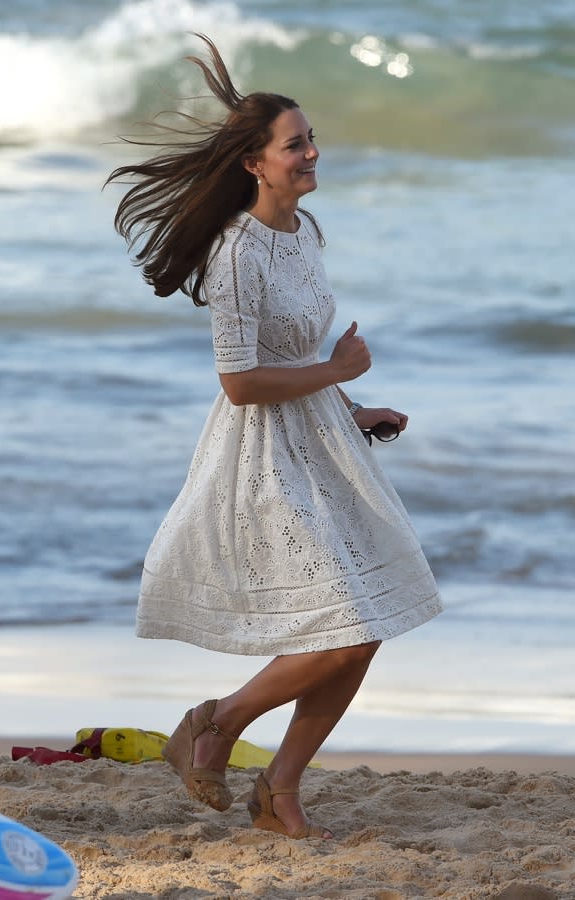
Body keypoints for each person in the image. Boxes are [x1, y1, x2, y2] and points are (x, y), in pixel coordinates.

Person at [106, 34, 442, 840]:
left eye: (309, 139)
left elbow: (292, 359)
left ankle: (278, 793)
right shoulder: (235, 253)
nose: (312, 153)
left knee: (364, 629)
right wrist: (336, 373)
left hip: (321, 440)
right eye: (296, 145)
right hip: (262, 458)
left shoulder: (303, 233)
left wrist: (351, 408)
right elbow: (241, 382)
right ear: (255, 163)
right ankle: (217, 723)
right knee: (345, 628)